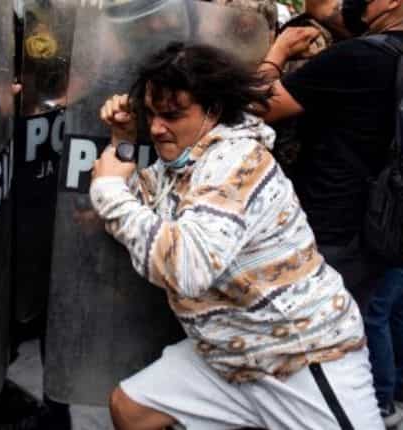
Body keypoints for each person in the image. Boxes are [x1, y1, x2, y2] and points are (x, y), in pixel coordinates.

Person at [94, 42, 381, 429]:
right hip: (230, 354)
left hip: (301, 358)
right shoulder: (180, 164)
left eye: (172, 115)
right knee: (131, 410)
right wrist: (123, 141)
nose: (158, 127)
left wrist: (108, 191)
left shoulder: (238, 161)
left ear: (212, 111)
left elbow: (187, 266)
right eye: (151, 114)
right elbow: (136, 212)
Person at [259, 0, 403, 424]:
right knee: (353, 332)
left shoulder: (360, 56)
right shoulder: (377, 55)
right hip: (382, 227)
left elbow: (259, 104)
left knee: (303, 353)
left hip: (329, 230)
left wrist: (278, 52)